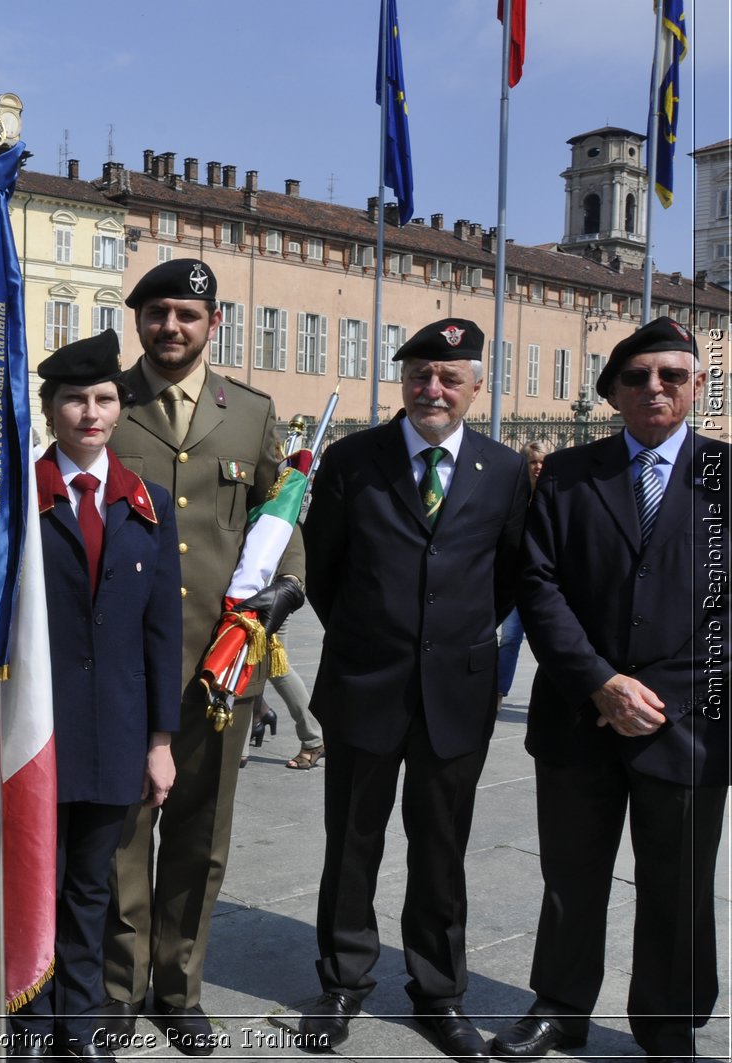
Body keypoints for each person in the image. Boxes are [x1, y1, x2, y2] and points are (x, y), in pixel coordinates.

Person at [489, 318, 727, 1062]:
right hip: (578, 716)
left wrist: (658, 694)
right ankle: (559, 1007)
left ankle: (669, 1023)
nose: (655, 387)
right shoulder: (566, 473)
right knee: (571, 874)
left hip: (689, 722)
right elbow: (539, 584)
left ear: (697, 386)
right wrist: (600, 682)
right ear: (614, 392)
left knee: (679, 885)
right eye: (637, 377)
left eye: (672, 375)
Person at [296, 318, 529, 1060]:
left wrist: (447, 643)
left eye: (450, 377)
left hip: (454, 692)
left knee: (441, 848)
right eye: (421, 373)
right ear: (403, 379)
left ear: (475, 386)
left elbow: (508, 577)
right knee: (352, 841)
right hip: (367, 681)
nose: (434, 388)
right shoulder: (352, 459)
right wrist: (378, 635)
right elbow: (325, 569)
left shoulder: (503, 469)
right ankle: (342, 981)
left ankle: (438, 992)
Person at [101, 258, 305, 1054]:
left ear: (213, 323)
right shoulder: (107, 406)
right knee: (124, 835)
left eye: (186, 314)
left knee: (200, 836)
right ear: (139, 322)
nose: (171, 328)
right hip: (124, 667)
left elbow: (280, 514)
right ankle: (118, 988)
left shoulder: (251, 414)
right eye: (156, 314)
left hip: (221, 667)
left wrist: (287, 588)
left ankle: (178, 988)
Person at [10, 331, 182, 1060]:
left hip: (116, 727)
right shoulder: (17, 501)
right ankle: (28, 1017)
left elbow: (161, 630)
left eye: (104, 397)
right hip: (35, 728)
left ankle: (77, 1026)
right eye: (75, 398)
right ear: (49, 410)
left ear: (120, 410)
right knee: (32, 883)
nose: (91, 411)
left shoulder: (147, 502)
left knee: (90, 889)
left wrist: (161, 740)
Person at [495, 442, 547, 704]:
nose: (538, 467)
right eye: (532, 462)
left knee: (548, 642)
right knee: (511, 638)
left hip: (543, 581)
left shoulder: (552, 495)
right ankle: (499, 692)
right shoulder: (514, 495)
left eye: (541, 461)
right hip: (516, 578)